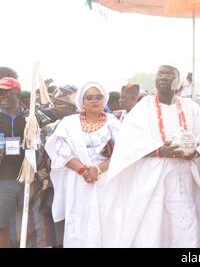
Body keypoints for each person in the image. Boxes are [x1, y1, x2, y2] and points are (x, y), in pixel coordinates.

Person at [102, 65, 200, 248]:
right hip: (150, 184)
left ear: (178, 81)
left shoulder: (191, 108)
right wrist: (159, 151)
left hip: (183, 183)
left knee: (184, 233)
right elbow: (127, 146)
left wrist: (193, 153)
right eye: (160, 74)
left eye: (169, 74)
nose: (163, 77)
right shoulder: (142, 109)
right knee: (152, 232)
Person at [44, 82, 120, 247]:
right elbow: (59, 150)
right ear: (82, 102)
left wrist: (98, 170)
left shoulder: (113, 123)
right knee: (78, 220)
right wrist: (84, 170)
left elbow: (123, 153)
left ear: (104, 99)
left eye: (98, 97)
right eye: (89, 97)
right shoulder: (69, 123)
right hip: (78, 180)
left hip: (104, 179)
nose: (94, 100)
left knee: (104, 221)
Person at [9, 85, 78, 248]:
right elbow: (40, 155)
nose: (53, 108)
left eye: (57, 105)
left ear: (71, 107)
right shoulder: (49, 128)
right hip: (52, 184)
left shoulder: (84, 128)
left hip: (77, 181)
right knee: (54, 223)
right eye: (53, 104)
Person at [0, 78, 29, 248]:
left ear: (17, 93)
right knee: (2, 224)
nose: (1, 96)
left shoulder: (32, 117)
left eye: (5, 92)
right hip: (4, 179)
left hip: (29, 179)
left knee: (29, 224)